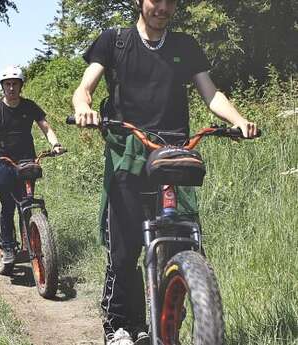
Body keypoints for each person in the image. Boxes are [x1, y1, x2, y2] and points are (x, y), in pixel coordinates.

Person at [72, 1, 258, 344]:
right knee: (125, 249)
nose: (163, 7)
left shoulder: (185, 45)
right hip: (127, 152)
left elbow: (211, 92)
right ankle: (120, 326)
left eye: (170, 1)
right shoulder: (114, 41)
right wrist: (83, 107)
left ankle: (169, 321)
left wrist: (238, 120)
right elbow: (85, 88)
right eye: (156, 0)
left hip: (173, 153)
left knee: (181, 240)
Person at [0, 65, 63, 264]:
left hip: (27, 161)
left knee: (28, 202)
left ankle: (33, 241)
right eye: (7, 84)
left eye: (15, 84)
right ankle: (8, 247)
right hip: (3, 162)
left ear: (20, 86)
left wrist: (55, 144)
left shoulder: (30, 106)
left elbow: (46, 128)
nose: (11, 88)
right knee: (9, 204)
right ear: (3, 87)